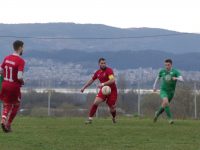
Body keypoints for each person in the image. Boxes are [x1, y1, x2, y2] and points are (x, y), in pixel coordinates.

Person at [81, 58, 118, 124]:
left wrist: (103, 84)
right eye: (102, 63)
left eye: (104, 63)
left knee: (112, 107)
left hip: (112, 90)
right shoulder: (98, 72)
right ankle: (90, 119)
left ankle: (114, 118)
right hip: (103, 90)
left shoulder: (109, 70)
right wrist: (84, 87)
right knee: (95, 102)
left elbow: (112, 80)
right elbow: (91, 80)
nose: (103, 64)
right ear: (99, 64)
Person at [0, 40, 25, 132]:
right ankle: (8, 124)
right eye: (23, 47)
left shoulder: (7, 58)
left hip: (5, 85)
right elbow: (19, 76)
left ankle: (3, 119)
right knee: (16, 105)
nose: (23, 49)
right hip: (14, 86)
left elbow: (0, 70)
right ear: (19, 48)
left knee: (7, 104)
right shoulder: (20, 61)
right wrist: (22, 81)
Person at [153, 59, 183, 124]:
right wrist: (154, 86)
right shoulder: (162, 71)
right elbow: (157, 78)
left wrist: (176, 78)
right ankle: (170, 119)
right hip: (163, 91)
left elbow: (182, 79)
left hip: (171, 93)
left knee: (164, 105)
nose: (167, 66)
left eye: (168, 65)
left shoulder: (175, 72)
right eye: (165, 65)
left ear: (171, 65)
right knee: (166, 102)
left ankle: (157, 114)